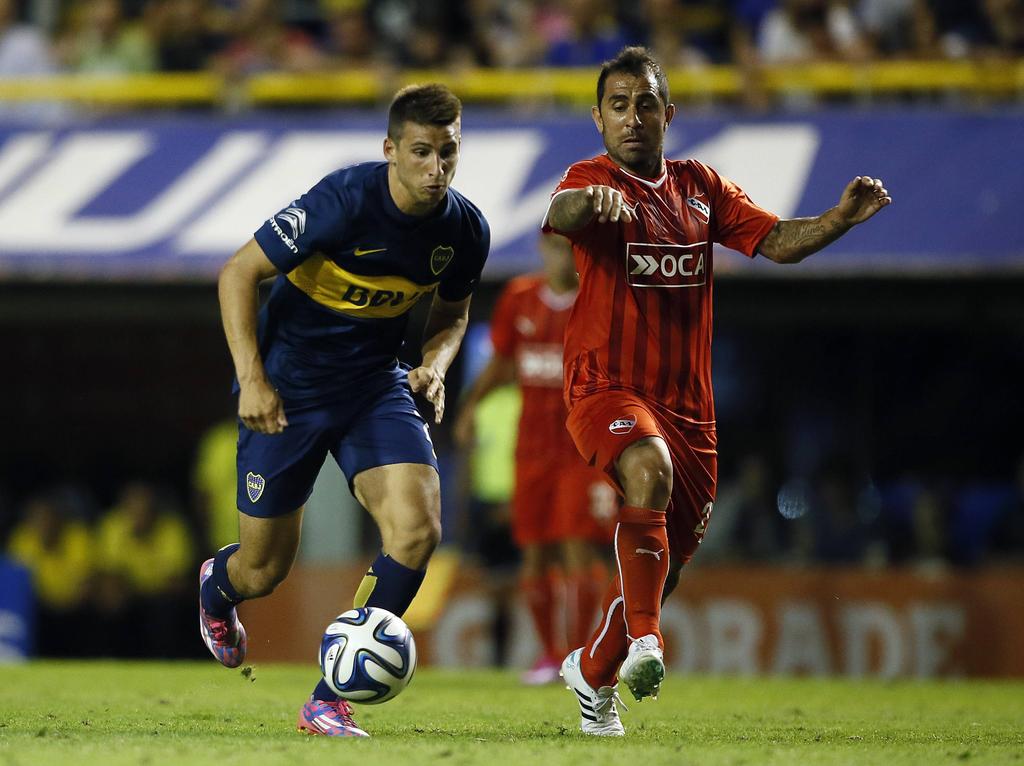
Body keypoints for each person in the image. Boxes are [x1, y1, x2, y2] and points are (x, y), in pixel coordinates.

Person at [542, 46, 891, 736]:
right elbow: (562, 210)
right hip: (604, 387)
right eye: (618, 106)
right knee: (649, 469)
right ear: (598, 119)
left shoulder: (700, 187)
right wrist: (589, 203)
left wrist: (838, 219)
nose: (632, 118)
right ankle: (649, 642)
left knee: (660, 573)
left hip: (690, 413)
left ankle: (593, 670)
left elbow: (780, 242)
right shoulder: (591, 178)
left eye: (645, 104)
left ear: (668, 115)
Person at [197, 83, 489, 738]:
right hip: (288, 391)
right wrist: (251, 379)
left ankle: (329, 699)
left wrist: (435, 367)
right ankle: (219, 587)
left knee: (417, 531)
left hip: (373, 387)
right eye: (421, 152)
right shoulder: (343, 203)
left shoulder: (464, 229)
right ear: (390, 149)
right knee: (263, 569)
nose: (435, 168)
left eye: (448, 153)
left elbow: (454, 310)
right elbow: (237, 274)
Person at [455, 233, 616, 685]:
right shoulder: (519, 297)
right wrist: (471, 407)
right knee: (535, 550)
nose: (559, 256)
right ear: (541, 250)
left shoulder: (597, 301)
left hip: (580, 448)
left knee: (576, 545)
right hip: (531, 449)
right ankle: (550, 655)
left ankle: (581, 652)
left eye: (569, 247)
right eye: (553, 247)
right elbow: (504, 362)